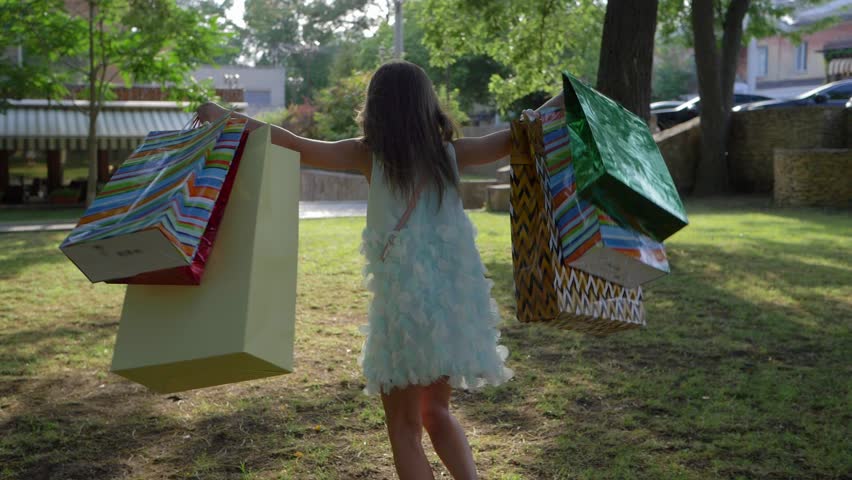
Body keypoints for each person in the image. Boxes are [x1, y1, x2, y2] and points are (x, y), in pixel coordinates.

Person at [197, 60, 562, 480]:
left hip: (405, 314)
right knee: (437, 412)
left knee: (404, 429)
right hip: (454, 309)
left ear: (376, 107)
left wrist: (225, 118)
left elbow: (293, 142)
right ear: (428, 105)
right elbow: (520, 133)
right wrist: (566, 98)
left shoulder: (365, 154)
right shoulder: (452, 154)